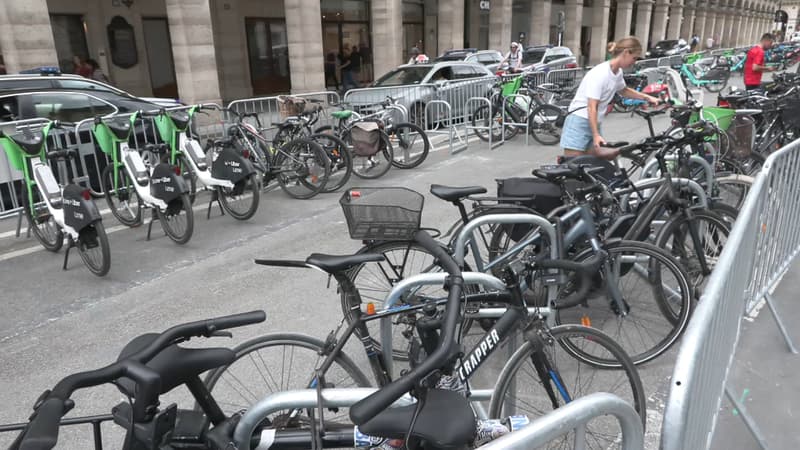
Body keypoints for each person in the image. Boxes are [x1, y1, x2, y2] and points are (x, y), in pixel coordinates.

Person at [560, 36, 660, 161]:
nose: (634, 62)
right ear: (625, 53)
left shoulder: (617, 72)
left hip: (594, 121)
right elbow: (592, 106)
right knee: (572, 165)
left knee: (595, 164)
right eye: (634, 58)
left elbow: (623, 90)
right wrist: (596, 135)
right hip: (579, 120)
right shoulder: (600, 73)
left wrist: (647, 97)